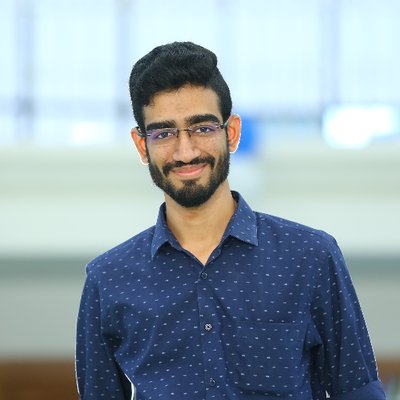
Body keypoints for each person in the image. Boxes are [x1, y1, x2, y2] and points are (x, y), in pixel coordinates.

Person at [75, 41, 386, 400]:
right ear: (142, 145)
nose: (185, 152)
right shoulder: (108, 279)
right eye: (164, 134)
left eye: (202, 128)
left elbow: (358, 391)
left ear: (231, 132)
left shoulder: (311, 256)